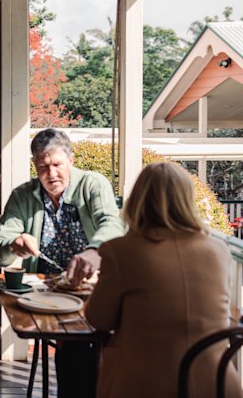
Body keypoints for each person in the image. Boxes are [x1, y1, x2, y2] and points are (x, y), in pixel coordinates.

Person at [0, 128, 125, 398]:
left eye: (57, 165)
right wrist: (14, 244)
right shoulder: (23, 196)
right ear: (35, 166)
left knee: (94, 343)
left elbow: (111, 223)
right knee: (77, 346)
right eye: (43, 167)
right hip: (48, 296)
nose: (51, 174)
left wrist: (94, 251)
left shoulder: (93, 184)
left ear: (71, 160)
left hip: (93, 288)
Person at [86, 162, 242, 398]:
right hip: (217, 384)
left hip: (144, 385)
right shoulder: (219, 249)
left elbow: (99, 319)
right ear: (187, 200)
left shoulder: (119, 251)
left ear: (138, 200)